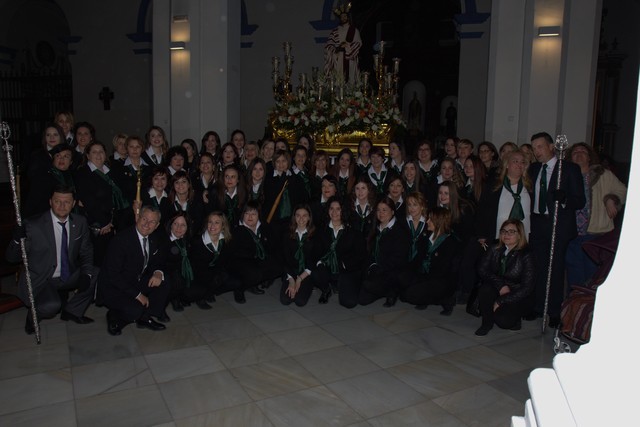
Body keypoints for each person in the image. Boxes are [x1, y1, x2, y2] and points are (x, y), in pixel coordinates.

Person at [7, 185, 97, 335]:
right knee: (52, 305)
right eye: (57, 201)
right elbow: (11, 258)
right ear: (50, 202)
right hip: (42, 278)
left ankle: (72, 311)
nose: (62, 206)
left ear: (74, 203)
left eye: (67, 202)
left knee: (95, 273)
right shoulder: (33, 225)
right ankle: (32, 317)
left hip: (67, 274)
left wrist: (86, 274)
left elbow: (86, 250)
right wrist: (16, 241)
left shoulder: (80, 222)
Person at [526, 132, 585, 327]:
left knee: (555, 269)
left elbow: (580, 200)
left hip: (557, 225)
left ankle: (553, 310)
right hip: (537, 223)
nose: (536, 152)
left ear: (552, 146)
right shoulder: (534, 169)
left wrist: (565, 198)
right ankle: (536, 306)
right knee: (537, 266)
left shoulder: (568, 169)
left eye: (540, 147)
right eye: (534, 148)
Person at [98, 205, 169, 336]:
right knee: (135, 309)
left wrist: (158, 272)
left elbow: (157, 261)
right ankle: (115, 317)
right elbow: (113, 275)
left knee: (164, 283)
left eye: (152, 221)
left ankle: (144, 318)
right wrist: (138, 295)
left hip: (134, 280)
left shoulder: (154, 238)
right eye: (144, 219)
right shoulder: (121, 240)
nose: (147, 224)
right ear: (137, 218)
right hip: (114, 287)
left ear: (157, 225)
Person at [564, 142, 626, 287]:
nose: (579, 153)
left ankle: (592, 308)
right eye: (575, 152)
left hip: (595, 235)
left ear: (589, 157)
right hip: (572, 235)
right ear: (570, 157)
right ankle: (575, 307)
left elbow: (622, 190)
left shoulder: (603, 174)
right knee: (574, 276)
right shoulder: (565, 176)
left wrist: (611, 199)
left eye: (583, 151)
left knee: (594, 277)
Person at [475, 219, 535, 336]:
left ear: (519, 235)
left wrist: (501, 300)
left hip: (517, 294)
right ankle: (486, 323)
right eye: (504, 231)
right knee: (485, 289)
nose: (506, 235)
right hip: (498, 288)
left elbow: (527, 287)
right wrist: (501, 285)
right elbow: (482, 269)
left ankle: (515, 318)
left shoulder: (527, 254)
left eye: (511, 232)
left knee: (504, 321)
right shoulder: (495, 247)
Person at [399, 206, 459, 314]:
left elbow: (443, 270)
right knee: (402, 285)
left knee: (411, 295)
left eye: (430, 219)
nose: (427, 221)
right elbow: (417, 259)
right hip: (425, 275)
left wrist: (421, 281)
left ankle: (445, 300)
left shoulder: (450, 242)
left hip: (440, 280)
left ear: (438, 222)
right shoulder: (426, 237)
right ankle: (424, 295)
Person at [314, 196, 366, 307]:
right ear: (328, 211)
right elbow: (315, 251)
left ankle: (339, 285)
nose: (334, 212)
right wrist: (320, 262)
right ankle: (326, 289)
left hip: (345, 270)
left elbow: (360, 255)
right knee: (315, 273)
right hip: (326, 269)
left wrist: (344, 264)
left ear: (343, 211)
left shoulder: (353, 231)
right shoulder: (321, 230)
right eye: (331, 208)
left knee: (349, 303)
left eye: (338, 209)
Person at [358, 197, 410, 307]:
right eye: (378, 210)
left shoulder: (400, 231)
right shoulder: (374, 228)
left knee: (368, 285)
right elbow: (368, 253)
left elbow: (399, 259)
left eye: (384, 210)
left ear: (392, 211)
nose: (381, 213)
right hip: (375, 269)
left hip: (391, 272)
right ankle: (380, 290)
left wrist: (379, 268)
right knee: (362, 299)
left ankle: (391, 291)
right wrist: (371, 267)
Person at [228, 201, 283, 298]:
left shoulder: (264, 227)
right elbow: (233, 254)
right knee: (255, 274)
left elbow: (272, 247)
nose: (250, 217)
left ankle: (259, 281)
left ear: (258, 215)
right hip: (242, 261)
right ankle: (240, 289)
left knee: (278, 266)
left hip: (258, 259)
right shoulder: (237, 231)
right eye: (247, 213)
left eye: (253, 214)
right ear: (243, 215)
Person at [189, 211, 245, 306]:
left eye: (217, 222)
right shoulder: (197, 241)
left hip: (216, 273)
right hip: (199, 275)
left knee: (235, 282)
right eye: (210, 222)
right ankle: (201, 296)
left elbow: (226, 260)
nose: (212, 225)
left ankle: (211, 291)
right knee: (203, 285)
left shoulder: (226, 241)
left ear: (223, 226)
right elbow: (194, 266)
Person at [280, 204, 320, 306]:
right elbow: (284, 258)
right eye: (298, 215)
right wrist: (292, 280)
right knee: (285, 300)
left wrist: (300, 278)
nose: (301, 218)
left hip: (306, 273)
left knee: (300, 302)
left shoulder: (316, 235)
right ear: (294, 217)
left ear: (309, 217)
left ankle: (308, 286)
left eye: (304, 215)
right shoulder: (287, 234)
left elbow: (314, 259)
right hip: (291, 272)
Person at [24, 143, 76, 217]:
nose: (61, 159)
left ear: (71, 161)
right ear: (53, 159)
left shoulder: (73, 177)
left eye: (66, 156)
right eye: (58, 156)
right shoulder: (43, 177)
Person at [324, 2, 361, 84]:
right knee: (338, 80)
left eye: (345, 16)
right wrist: (335, 50)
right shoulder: (335, 31)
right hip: (338, 59)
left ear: (348, 17)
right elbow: (329, 45)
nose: (343, 18)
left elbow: (358, 43)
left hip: (349, 58)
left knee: (350, 79)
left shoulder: (354, 31)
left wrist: (347, 46)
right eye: (341, 17)